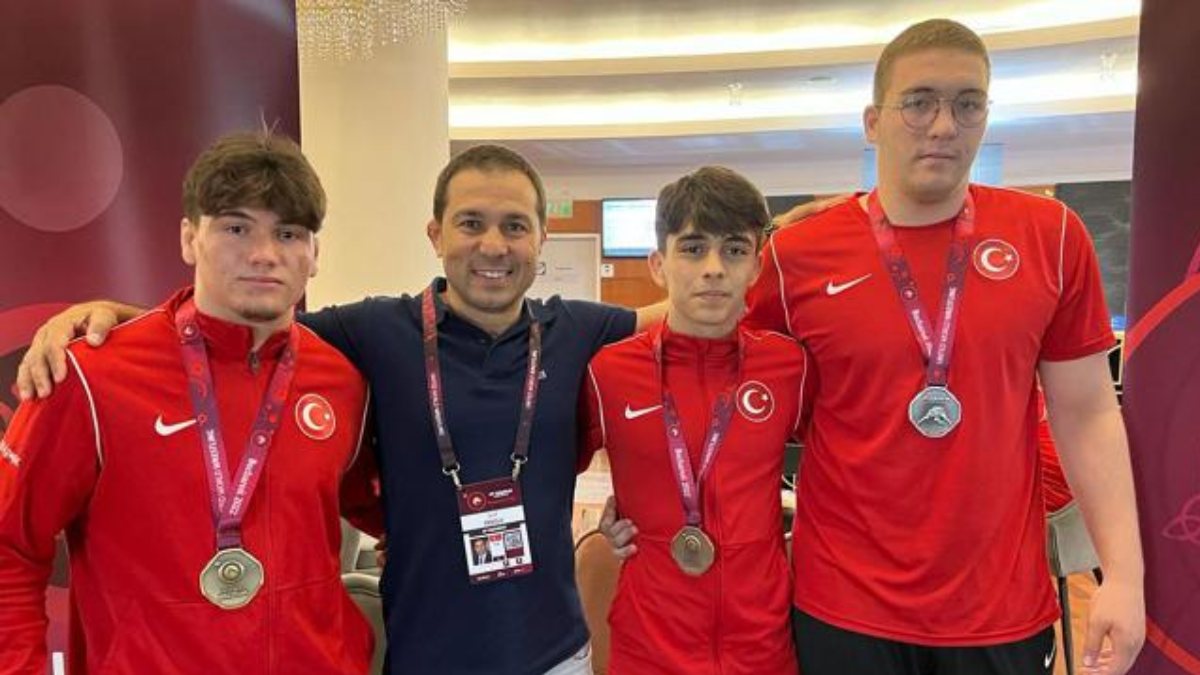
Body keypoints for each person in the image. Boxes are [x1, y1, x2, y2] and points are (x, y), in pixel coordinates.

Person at [17, 145, 829, 673]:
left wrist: (794, 236)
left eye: (514, 226)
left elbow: (689, 310)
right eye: (471, 223)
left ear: (541, 241)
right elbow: (242, 330)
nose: (493, 244)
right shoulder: (370, 334)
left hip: (556, 652)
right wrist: (122, 319)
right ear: (436, 233)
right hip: (424, 653)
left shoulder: (583, 334)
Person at [744, 18, 1145, 675]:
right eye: (919, 101)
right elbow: (736, 404)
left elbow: (1088, 412)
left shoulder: (1051, 236)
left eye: (967, 104)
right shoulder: (794, 256)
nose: (942, 125)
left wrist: (1124, 574)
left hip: (998, 605)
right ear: (873, 121)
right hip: (843, 602)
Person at [0, 131, 378, 674]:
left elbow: (392, 509)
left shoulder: (342, 380)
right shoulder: (90, 375)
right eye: (235, 227)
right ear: (188, 238)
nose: (264, 254)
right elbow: (10, 546)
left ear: (314, 254)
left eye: (288, 233)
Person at [580, 166, 810, 674]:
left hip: (763, 648)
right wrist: (600, 534)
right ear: (658, 264)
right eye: (692, 248)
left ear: (756, 267)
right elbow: (544, 481)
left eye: (734, 250)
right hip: (650, 647)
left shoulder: (790, 368)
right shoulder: (607, 373)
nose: (713, 268)